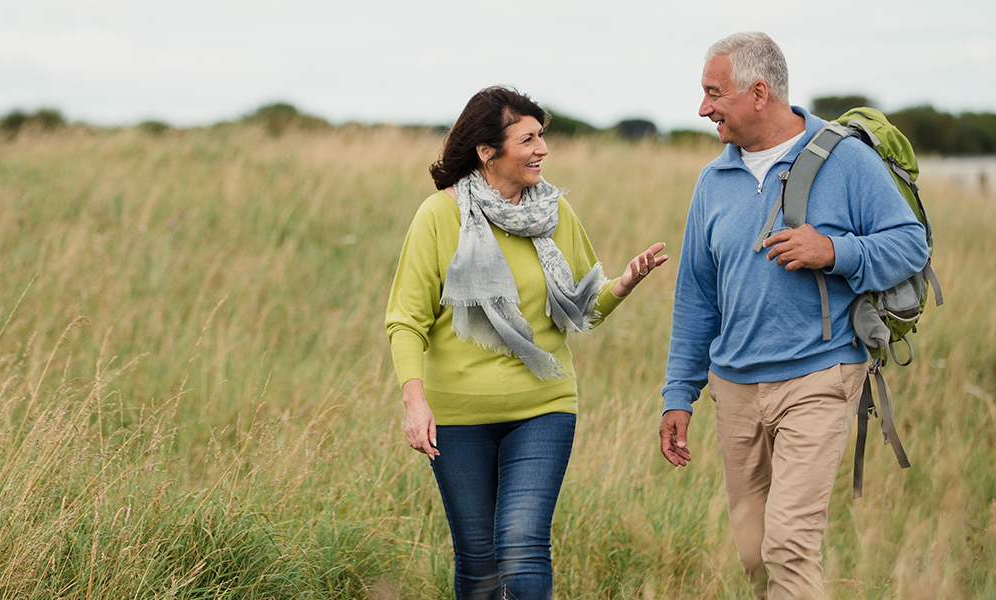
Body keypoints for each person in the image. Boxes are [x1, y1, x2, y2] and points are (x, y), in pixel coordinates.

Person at [658, 33, 929, 600]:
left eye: (714, 94)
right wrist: (677, 395)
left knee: (789, 543)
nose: (703, 108)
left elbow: (911, 244)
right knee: (755, 553)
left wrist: (834, 251)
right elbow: (696, 297)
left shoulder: (846, 161)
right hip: (733, 388)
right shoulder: (712, 183)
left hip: (819, 376)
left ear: (759, 93)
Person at [386, 86, 667, 600]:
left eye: (543, 137)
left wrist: (622, 285)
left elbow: (584, 309)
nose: (542, 149)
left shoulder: (555, 213)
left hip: (544, 406)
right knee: (477, 559)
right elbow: (406, 320)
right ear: (487, 151)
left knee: (522, 542)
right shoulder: (439, 216)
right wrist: (414, 401)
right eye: (528, 138)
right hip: (458, 416)